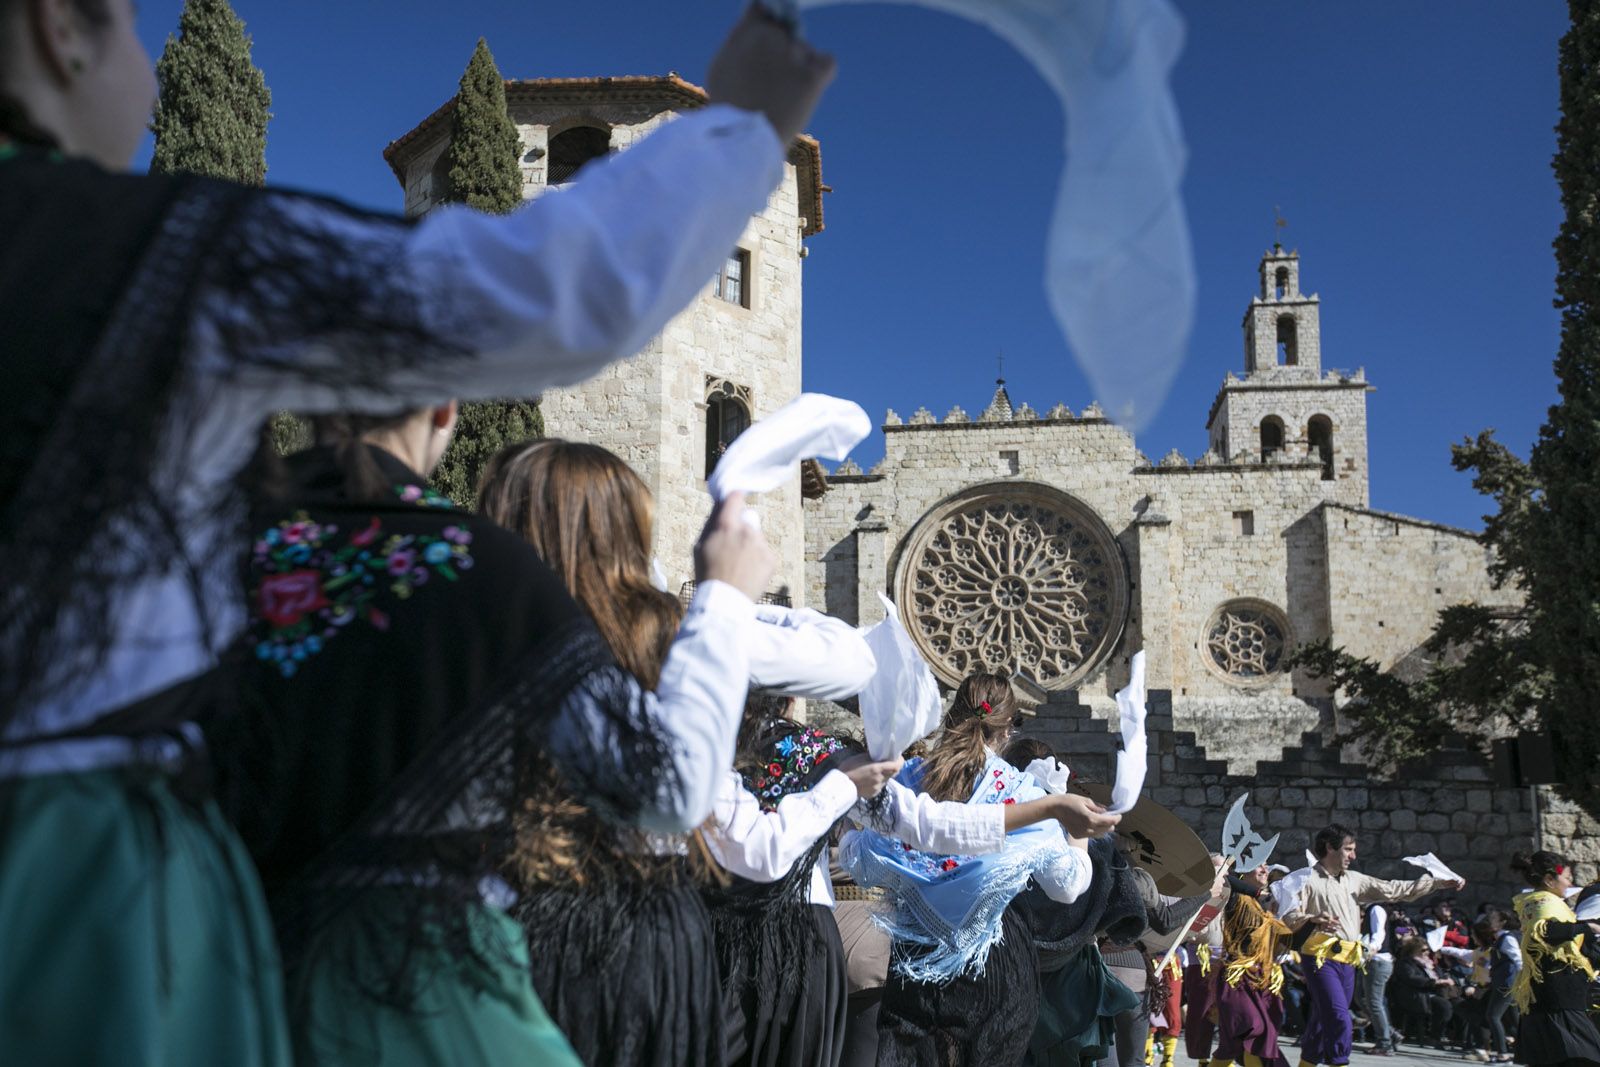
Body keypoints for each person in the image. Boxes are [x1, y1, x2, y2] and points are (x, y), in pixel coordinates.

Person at [0, 0, 834, 1059]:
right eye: (127, 25)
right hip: (98, 912)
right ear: (58, 29)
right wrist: (744, 126)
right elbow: (554, 288)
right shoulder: (146, 250)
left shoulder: (254, 545)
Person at [474, 438, 786, 1066]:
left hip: (501, 936)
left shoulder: (471, 641)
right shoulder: (653, 645)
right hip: (631, 945)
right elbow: (682, 791)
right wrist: (725, 599)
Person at [842, 674, 1120, 1066]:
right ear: (1006, 730)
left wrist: (845, 831)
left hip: (916, 959)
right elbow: (1067, 885)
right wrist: (1078, 836)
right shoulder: (1022, 792)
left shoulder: (911, 778)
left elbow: (864, 861)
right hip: (994, 960)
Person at [1281, 824, 1465, 1067]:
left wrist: (1437, 883)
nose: (1353, 855)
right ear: (1329, 847)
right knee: (1338, 1016)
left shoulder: (1354, 880)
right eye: (1348, 849)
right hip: (1319, 958)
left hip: (1348, 961)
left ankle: (1307, 1064)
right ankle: (1339, 1062)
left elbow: (1394, 889)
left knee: (1322, 1019)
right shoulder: (1304, 879)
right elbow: (1288, 916)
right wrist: (1312, 919)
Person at [1508, 851, 1600, 1067]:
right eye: (1567, 877)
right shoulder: (1542, 902)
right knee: (1583, 1058)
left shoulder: (1551, 904)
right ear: (1550, 880)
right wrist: (1588, 926)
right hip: (1557, 996)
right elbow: (1547, 932)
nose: (1570, 883)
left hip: (1558, 994)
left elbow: (1575, 948)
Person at [1209, 862, 1294, 1067]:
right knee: (1253, 1027)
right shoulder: (1235, 896)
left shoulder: (1263, 907)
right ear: (1244, 870)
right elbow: (1224, 879)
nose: (1265, 870)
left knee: (1237, 1043)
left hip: (1261, 979)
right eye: (1259, 866)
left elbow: (1292, 941)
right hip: (1236, 979)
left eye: (1266, 866)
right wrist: (1256, 892)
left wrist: (1314, 922)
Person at [1392, 937, 1454, 1049]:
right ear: (1413, 950)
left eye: (1427, 950)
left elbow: (1440, 974)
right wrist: (1435, 982)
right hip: (1416, 994)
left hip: (1434, 992)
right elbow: (1412, 978)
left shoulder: (1429, 962)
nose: (1427, 952)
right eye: (1423, 950)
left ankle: (1442, 1035)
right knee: (1444, 1006)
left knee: (1457, 1003)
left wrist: (1445, 979)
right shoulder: (1406, 963)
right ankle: (1435, 1037)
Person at [1359, 903, 1399, 1055]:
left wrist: (1373, 947)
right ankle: (1390, 1033)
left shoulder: (1376, 908)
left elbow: (1379, 931)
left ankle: (1384, 1043)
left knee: (1374, 1003)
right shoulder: (1371, 909)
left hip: (1377, 961)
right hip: (1373, 961)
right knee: (1360, 997)